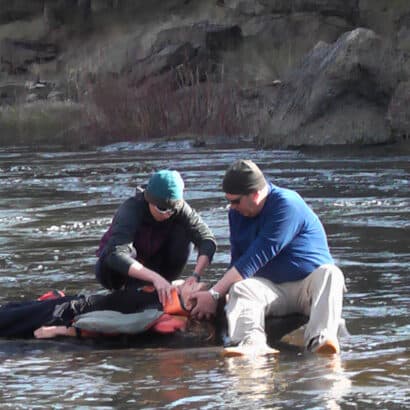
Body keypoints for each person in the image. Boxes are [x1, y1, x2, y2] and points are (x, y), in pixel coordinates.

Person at [190, 159, 345, 356]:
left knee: (331, 274)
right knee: (240, 287)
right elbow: (237, 262)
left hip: (308, 287)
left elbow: (255, 258)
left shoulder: (287, 205)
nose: (232, 206)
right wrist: (219, 295)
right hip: (271, 289)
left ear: (255, 194)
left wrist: (213, 294)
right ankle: (251, 343)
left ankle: (320, 340)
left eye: (235, 201)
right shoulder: (236, 214)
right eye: (228, 201)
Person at [95, 169, 217, 306]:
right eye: (162, 209)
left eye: (172, 209)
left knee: (184, 231)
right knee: (127, 253)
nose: (167, 214)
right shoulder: (131, 209)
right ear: (149, 200)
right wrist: (154, 278)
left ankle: (162, 286)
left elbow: (207, 239)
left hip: (154, 265)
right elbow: (116, 254)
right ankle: (133, 290)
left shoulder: (179, 209)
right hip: (115, 270)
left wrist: (196, 275)